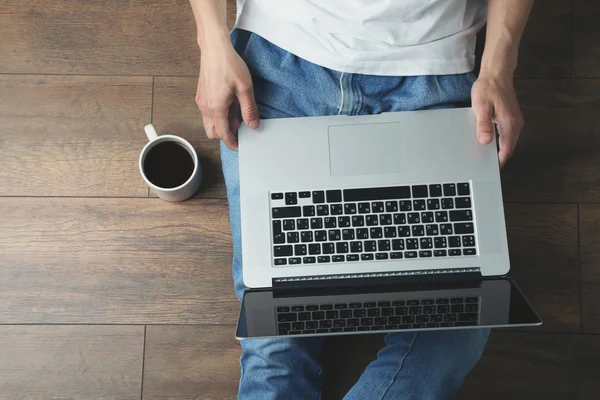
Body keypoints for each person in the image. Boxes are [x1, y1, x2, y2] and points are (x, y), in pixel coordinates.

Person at [189, 1, 533, 398]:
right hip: (278, 66)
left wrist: (499, 67)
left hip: (432, 76)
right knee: (274, 341)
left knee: (462, 323)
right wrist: (212, 43)